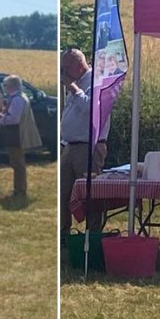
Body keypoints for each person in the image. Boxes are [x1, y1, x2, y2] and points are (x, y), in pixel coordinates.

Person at [59, 48, 109, 244]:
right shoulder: (76, 82)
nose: (63, 73)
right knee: (64, 193)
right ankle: (64, 235)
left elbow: (91, 109)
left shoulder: (96, 82)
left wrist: (73, 88)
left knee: (90, 195)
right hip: (70, 146)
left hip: (89, 146)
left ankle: (93, 236)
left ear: (79, 66)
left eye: (66, 68)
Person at [0, 74, 29, 198]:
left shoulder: (17, 99)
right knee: (17, 162)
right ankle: (19, 187)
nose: (4, 88)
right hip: (17, 133)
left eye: (5, 85)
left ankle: (20, 188)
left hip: (16, 133)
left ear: (11, 85)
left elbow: (14, 119)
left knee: (18, 163)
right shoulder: (20, 97)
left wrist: (0, 117)